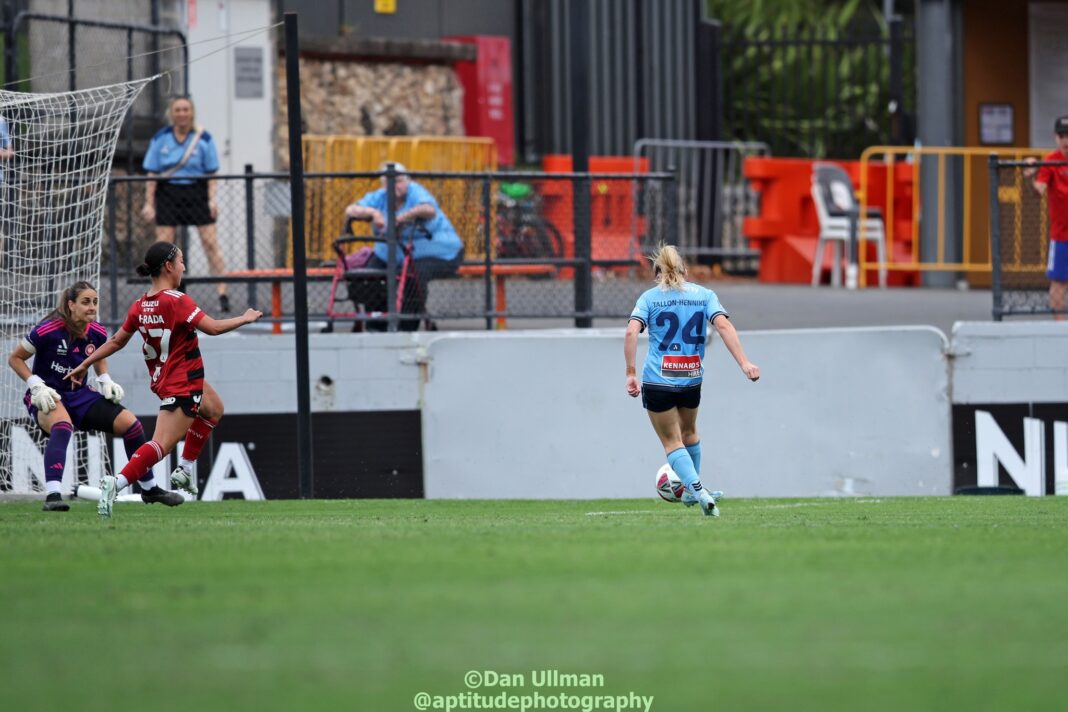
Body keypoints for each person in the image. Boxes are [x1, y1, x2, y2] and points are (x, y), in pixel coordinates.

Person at [66, 242, 262, 518]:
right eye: (181, 261)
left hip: (171, 377)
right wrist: (245, 318)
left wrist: (85, 363)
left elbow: (117, 341)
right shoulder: (177, 300)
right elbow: (214, 328)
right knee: (160, 445)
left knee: (213, 408)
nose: (184, 266)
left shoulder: (140, 305)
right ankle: (117, 483)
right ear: (169, 266)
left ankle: (184, 469)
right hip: (183, 382)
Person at [8, 281, 182, 511]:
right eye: (86, 302)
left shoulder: (98, 332)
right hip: (48, 395)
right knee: (62, 426)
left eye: (95, 302)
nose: (92, 307)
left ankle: (149, 489)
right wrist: (35, 384)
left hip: (79, 395)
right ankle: (52, 496)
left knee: (132, 426)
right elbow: (15, 359)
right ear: (71, 305)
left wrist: (105, 379)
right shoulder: (47, 330)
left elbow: (99, 356)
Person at [623, 245, 760, 517]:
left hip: (658, 380)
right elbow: (723, 326)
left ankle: (697, 492)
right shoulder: (705, 295)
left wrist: (630, 373)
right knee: (690, 434)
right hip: (691, 378)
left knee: (672, 442)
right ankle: (692, 490)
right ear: (685, 270)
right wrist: (744, 362)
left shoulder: (649, 298)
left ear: (657, 273)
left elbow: (631, 332)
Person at [343, 162, 464, 330]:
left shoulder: (416, 191)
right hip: (394, 253)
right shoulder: (380, 197)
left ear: (407, 180)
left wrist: (401, 218)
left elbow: (428, 209)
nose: (395, 186)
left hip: (438, 251)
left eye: (399, 181)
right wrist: (374, 213)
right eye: (390, 182)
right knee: (369, 275)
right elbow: (351, 209)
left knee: (412, 277)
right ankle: (377, 324)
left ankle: (407, 326)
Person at [141, 96, 229, 313]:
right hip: (168, 192)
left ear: (192, 112)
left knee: (210, 242)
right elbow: (152, 173)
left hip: (196, 191)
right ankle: (162, 293)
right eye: (178, 109)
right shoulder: (161, 138)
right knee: (164, 244)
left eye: (186, 109)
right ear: (172, 113)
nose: (182, 113)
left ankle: (222, 292)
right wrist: (149, 203)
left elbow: (211, 174)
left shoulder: (204, 139)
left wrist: (211, 200)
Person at [1026, 115, 1068, 320]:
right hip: (1061, 236)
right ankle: (1061, 334)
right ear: (1055, 138)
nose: (1066, 140)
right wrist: (1031, 174)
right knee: (1058, 286)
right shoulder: (1051, 161)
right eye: (1062, 135)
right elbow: (1039, 190)